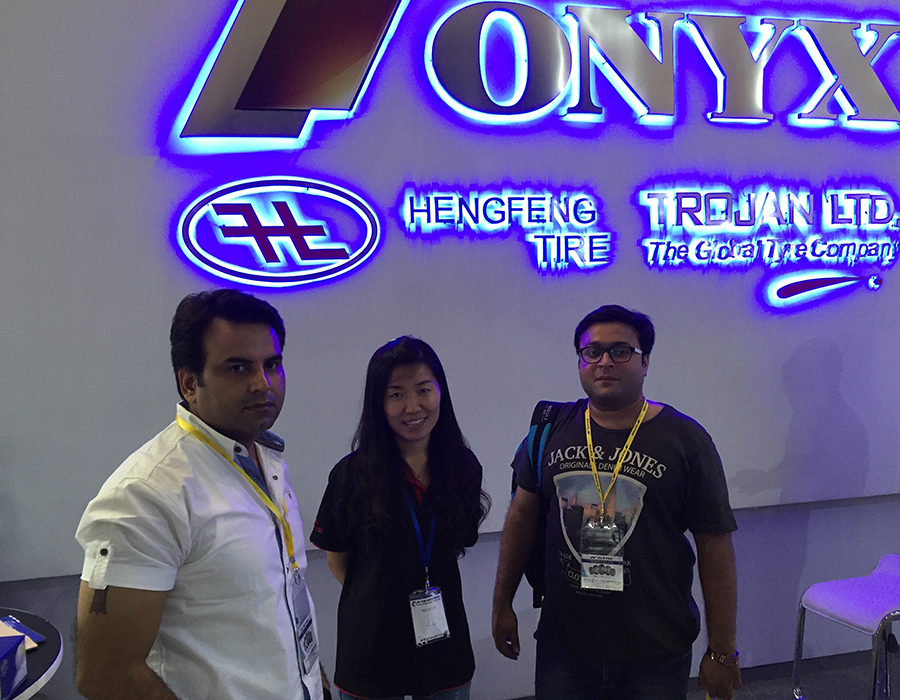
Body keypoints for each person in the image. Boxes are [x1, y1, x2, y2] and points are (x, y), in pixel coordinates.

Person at [75, 289, 324, 700]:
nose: (262, 384)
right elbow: (104, 674)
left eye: (272, 365)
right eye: (238, 368)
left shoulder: (267, 459)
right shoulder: (145, 495)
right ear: (190, 382)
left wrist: (314, 681)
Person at [491, 305, 741, 700]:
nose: (605, 361)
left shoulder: (686, 440)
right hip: (564, 646)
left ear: (645, 362)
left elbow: (715, 545)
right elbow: (521, 516)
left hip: (654, 648)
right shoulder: (549, 430)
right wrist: (501, 603)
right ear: (580, 361)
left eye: (621, 351)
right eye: (592, 351)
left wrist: (722, 650)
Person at [311, 336, 490, 700]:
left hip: (443, 644)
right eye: (396, 394)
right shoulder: (353, 474)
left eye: (424, 390)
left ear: (440, 392)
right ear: (378, 403)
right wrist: (381, 598)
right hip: (372, 647)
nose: (412, 407)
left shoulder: (463, 467)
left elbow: (458, 542)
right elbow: (337, 560)